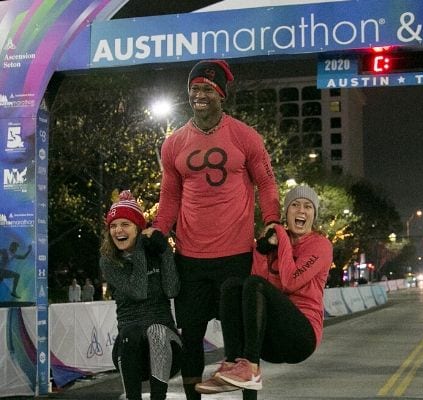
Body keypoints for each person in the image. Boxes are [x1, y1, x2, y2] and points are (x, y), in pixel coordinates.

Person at [146, 59, 280, 400]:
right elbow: (170, 194)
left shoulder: (244, 135)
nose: (199, 95)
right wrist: (160, 229)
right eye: (194, 89)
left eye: (207, 89)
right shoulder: (173, 143)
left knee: (241, 340)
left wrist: (273, 222)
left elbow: (266, 183)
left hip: (236, 255)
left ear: (222, 95)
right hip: (190, 258)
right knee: (191, 336)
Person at [195, 185, 332, 395]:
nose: (301, 211)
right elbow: (255, 285)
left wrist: (281, 236)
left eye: (308, 207)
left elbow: (290, 282)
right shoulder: (273, 245)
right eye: (295, 205)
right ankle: (234, 365)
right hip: (272, 340)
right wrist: (261, 250)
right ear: (286, 212)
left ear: (314, 214)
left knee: (254, 285)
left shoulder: (320, 245)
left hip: (301, 337)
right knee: (233, 286)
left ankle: (248, 368)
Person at [100, 190, 182, 400]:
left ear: (139, 227)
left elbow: (173, 290)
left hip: (167, 348)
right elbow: (138, 291)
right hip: (131, 350)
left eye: (125, 224)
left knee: (156, 331)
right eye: (113, 226)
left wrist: (164, 251)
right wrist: (139, 250)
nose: (118, 230)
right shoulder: (109, 261)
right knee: (131, 331)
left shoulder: (157, 253)